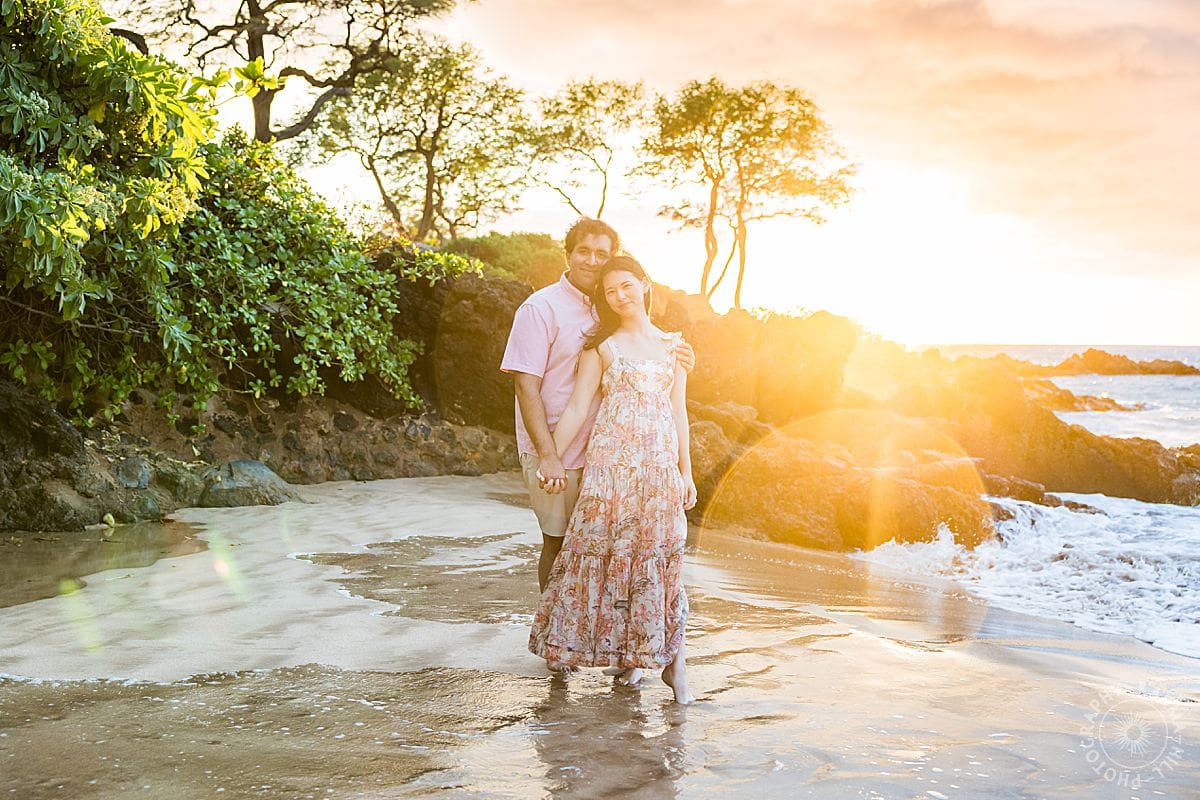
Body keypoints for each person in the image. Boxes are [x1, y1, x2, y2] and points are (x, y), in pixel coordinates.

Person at [528, 255, 696, 704]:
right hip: (612, 471)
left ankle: (670, 664)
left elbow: (679, 413)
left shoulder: (675, 346)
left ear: (644, 284)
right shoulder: (602, 346)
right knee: (611, 558)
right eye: (609, 292)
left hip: (659, 470)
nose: (619, 297)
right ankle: (629, 657)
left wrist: (687, 472)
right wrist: (553, 460)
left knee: (660, 560)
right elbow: (579, 407)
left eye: (626, 286)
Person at [499, 219, 694, 596]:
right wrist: (548, 455)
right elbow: (526, 386)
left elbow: (647, 363)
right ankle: (555, 638)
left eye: (601, 254)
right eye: (583, 251)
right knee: (559, 544)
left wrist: (681, 361)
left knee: (604, 549)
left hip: (611, 457)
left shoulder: (611, 306)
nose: (591, 260)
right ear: (568, 254)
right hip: (558, 448)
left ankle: (590, 635)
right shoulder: (540, 308)